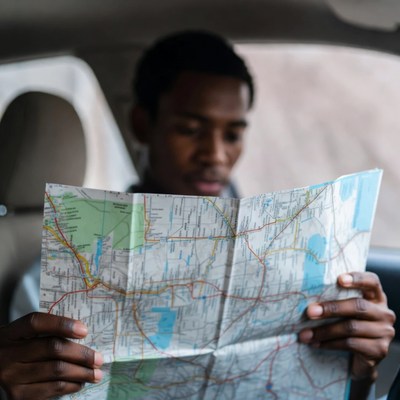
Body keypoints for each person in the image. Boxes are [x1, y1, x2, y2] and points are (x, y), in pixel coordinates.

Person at [0, 30, 395, 400]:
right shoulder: (59, 282)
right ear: (142, 124)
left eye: (233, 135)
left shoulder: (289, 262)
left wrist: (356, 373)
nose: (216, 156)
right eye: (190, 129)